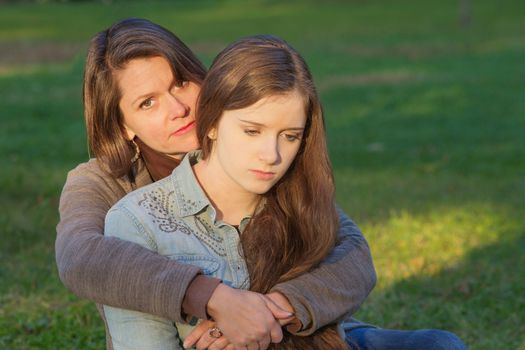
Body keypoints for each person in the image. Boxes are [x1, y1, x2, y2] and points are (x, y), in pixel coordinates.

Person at [55, 18, 467, 350]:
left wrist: (270, 311)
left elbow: (352, 251)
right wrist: (217, 300)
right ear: (122, 126)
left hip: (305, 333)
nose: (179, 108)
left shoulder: (262, 153)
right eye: (148, 103)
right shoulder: (107, 188)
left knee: (440, 344)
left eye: (180, 82)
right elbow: (82, 257)